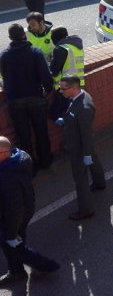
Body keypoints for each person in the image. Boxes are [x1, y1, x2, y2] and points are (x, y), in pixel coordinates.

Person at [0, 137, 60, 286]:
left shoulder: (6, 177)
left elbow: (14, 209)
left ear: (3, 154)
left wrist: (11, 233)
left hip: (14, 217)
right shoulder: (18, 160)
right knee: (15, 242)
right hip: (24, 209)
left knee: (12, 243)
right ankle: (17, 271)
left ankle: (44, 266)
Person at [0, 24, 53, 173]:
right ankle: (45, 161)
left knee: (23, 136)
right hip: (35, 97)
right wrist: (48, 91)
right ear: (24, 36)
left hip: (15, 100)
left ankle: (30, 167)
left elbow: (3, 77)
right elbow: (46, 76)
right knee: (41, 131)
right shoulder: (35, 52)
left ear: (10, 38)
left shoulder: (4, 55)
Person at [57, 76, 106, 221]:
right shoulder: (80, 96)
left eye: (63, 89)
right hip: (83, 143)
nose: (61, 91)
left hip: (79, 146)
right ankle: (99, 183)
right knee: (94, 159)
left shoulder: (83, 108)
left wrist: (86, 153)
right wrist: (65, 120)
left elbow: (86, 134)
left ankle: (86, 209)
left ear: (73, 88)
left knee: (80, 177)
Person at [49, 26, 84, 121]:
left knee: (55, 113)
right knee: (74, 112)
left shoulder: (60, 49)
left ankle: (68, 129)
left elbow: (54, 70)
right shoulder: (77, 46)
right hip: (78, 85)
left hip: (65, 88)